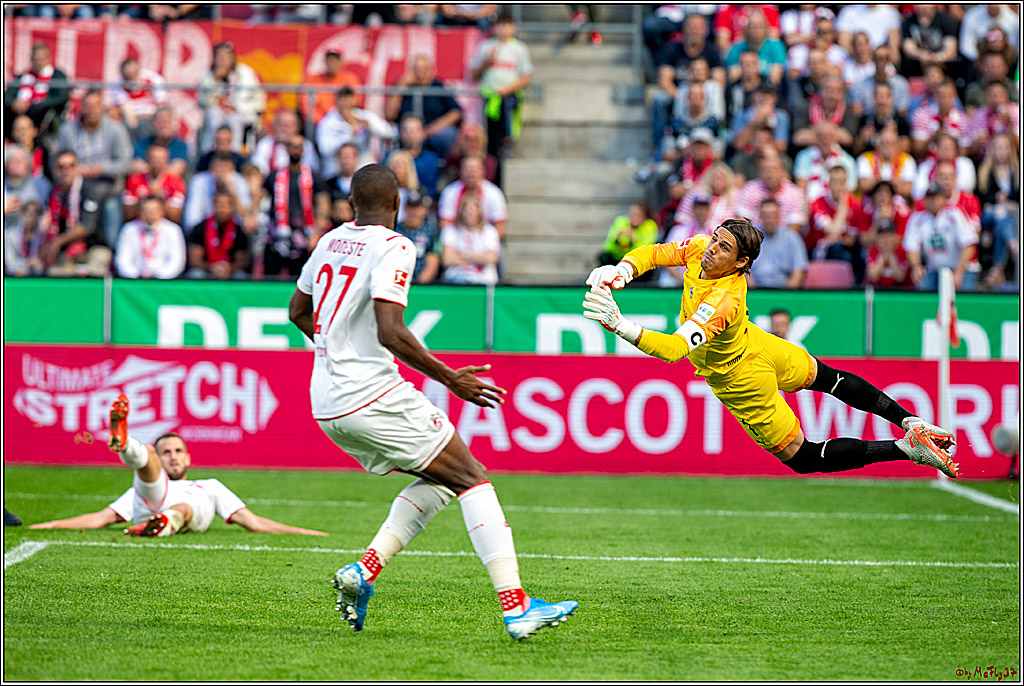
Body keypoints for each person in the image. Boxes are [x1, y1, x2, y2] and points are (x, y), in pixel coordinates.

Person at [286, 163, 577, 640]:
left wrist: (334, 351)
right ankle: (517, 606)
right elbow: (390, 329)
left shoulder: (330, 240)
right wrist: (450, 378)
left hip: (326, 402)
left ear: (351, 205)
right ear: (397, 206)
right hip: (371, 393)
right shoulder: (397, 245)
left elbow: (298, 310)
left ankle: (364, 571)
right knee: (473, 478)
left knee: (443, 480)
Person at [582, 219, 960, 482]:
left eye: (723, 247)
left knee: (803, 457)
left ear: (742, 262)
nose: (712, 249)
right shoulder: (701, 250)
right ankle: (910, 420)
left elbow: (675, 349)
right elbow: (655, 252)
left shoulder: (724, 301)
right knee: (828, 377)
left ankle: (905, 447)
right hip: (757, 341)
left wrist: (621, 325)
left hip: (741, 378)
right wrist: (623, 270)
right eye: (714, 239)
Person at [31, 395, 325, 537]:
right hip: (154, 500)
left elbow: (255, 523)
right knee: (147, 460)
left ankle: (159, 522)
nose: (172, 456)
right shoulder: (144, 487)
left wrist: (307, 532)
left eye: (177, 451)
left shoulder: (210, 486)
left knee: (184, 507)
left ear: (188, 458)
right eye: (165, 452)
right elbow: (100, 518)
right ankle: (125, 445)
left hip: (184, 510)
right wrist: (52, 524)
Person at [54, 89, 133, 249]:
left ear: (101, 107)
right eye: (88, 106)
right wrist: (71, 171)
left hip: (108, 188)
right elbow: (57, 158)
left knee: (111, 223)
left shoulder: (116, 130)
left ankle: (112, 257)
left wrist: (99, 168)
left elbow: (125, 163)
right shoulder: (68, 130)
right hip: (76, 188)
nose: (91, 110)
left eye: (95, 105)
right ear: (81, 107)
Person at [260, 134, 330, 277]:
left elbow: (323, 204)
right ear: (286, 149)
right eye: (292, 146)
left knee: (301, 277)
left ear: (303, 150)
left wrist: (316, 232)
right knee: (270, 275)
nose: (295, 150)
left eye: (298, 147)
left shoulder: (313, 177)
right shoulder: (275, 175)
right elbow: (260, 199)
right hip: (277, 235)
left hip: (304, 236)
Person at [469, 13, 534, 158]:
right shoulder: (485, 46)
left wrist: (506, 90)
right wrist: (486, 63)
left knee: (506, 129)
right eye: (500, 25)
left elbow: (525, 77)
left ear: (513, 28)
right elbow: (473, 76)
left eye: (506, 25)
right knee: (489, 135)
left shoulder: (519, 48)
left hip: (509, 97)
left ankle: (506, 145)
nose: (503, 30)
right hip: (489, 97)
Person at [42, 150, 113, 278]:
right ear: (54, 170)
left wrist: (57, 242)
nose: (66, 171)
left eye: (71, 166)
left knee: (96, 268)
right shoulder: (54, 194)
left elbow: (87, 226)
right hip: (67, 252)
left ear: (78, 167)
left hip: (93, 247)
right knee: (54, 274)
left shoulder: (90, 189)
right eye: (61, 167)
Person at [904, 184, 979, 292]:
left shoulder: (954, 214)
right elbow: (911, 247)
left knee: (963, 295)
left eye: (936, 197)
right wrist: (916, 266)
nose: (933, 201)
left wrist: (958, 272)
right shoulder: (917, 218)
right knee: (923, 287)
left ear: (943, 198)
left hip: (962, 267)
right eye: (930, 198)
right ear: (925, 200)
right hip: (935, 269)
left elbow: (968, 245)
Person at [385, 55, 463, 156]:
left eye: (424, 69)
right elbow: (390, 114)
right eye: (417, 69)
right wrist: (401, 86)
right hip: (407, 131)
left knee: (448, 135)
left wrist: (429, 130)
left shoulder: (437, 86)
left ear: (431, 71)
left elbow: (456, 113)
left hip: (433, 132)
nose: (421, 74)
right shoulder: (403, 86)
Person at [199, 42, 266, 153]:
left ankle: (233, 154)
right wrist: (214, 81)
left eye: (226, 57)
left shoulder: (245, 72)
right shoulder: (208, 76)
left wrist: (234, 108)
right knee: (214, 116)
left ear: (232, 58)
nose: (222, 60)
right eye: (219, 57)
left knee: (234, 120)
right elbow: (204, 103)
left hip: (241, 112)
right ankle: (210, 153)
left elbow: (255, 97)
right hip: (218, 112)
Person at [318, 88, 396, 176]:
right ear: (336, 101)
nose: (346, 103)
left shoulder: (364, 116)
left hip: (363, 169)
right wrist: (349, 135)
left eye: (348, 98)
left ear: (355, 100)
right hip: (336, 173)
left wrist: (368, 125)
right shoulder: (328, 122)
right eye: (342, 99)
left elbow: (389, 132)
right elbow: (324, 149)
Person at [3, 43, 68, 138]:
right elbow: (7, 96)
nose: (38, 62)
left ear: (49, 58)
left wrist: (35, 103)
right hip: (19, 117)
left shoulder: (57, 75)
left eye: (41, 59)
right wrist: (15, 103)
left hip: (44, 118)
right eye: (35, 59)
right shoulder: (23, 77)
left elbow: (61, 97)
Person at [114, 196, 187, 280]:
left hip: (165, 280)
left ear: (162, 211)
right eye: (146, 210)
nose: (150, 213)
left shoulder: (173, 230)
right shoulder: (129, 229)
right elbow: (123, 259)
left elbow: (177, 261)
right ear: (139, 212)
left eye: (154, 210)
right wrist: (134, 275)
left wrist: (160, 277)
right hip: (135, 279)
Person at [437, 156, 508, 238]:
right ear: (461, 171)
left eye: (475, 169)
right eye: (467, 169)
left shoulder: (494, 193)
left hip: (485, 243)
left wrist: (479, 244)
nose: (471, 173)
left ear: (483, 171)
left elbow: (500, 229)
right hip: (457, 242)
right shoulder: (449, 192)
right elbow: (445, 226)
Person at [187, 190, 251, 279]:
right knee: (196, 274)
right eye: (219, 205)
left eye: (225, 206)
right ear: (213, 206)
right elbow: (194, 259)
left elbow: (242, 260)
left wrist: (229, 268)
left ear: (232, 208)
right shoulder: (200, 228)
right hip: (207, 269)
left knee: (240, 275)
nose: (222, 210)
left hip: (230, 271)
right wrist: (211, 267)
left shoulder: (239, 231)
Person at [440, 194, 502, 286]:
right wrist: (479, 258)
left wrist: (465, 255)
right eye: (467, 208)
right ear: (461, 211)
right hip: (456, 280)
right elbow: (447, 259)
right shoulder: (450, 231)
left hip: (484, 281)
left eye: (473, 208)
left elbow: (491, 258)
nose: (470, 212)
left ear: (479, 211)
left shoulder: (489, 231)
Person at [747, 198, 807, 290]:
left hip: (784, 291)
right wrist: (753, 293)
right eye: (766, 216)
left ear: (779, 217)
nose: (770, 220)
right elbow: (743, 269)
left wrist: (785, 296)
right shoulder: (750, 238)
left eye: (773, 216)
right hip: (755, 291)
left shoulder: (792, 238)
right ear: (760, 217)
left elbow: (799, 271)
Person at [123, 143, 187, 224]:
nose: (157, 162)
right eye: (154, 158)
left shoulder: (176, 182)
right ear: (147, 159)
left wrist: (159, 197)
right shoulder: (134, 180)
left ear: (167, 160)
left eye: (161, 159)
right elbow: (128, 214)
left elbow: (175, 217)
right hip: (139, 224)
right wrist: (143, 198)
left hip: (165, 226)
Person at [106, 56, 168, 138]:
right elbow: (128, 114)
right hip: (132, 121)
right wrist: (135, 125)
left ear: (138, 69)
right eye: (128, 76)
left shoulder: (153, 79)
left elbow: (161, 104)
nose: (131, 78)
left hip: (153, 118)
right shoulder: (118, 86)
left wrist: (156, 119)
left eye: (133, 73)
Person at [299, 50, 363, 125]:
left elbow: (357, 102)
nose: (332, 62)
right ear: (325, 61)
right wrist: (323, 122)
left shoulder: (351, 79)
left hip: (345, 122)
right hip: (319, 124)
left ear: (342, 62)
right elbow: (305, 105)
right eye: (330, 59)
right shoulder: (313, 79)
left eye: (336, 59)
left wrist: (343, 120)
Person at [395, 191, 440, 284]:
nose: (413, 212)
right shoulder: (395, 231)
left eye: (417, 208)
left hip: (421, 284)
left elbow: (433, 261)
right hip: (396, 280)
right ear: (405, 209)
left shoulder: (431, 232)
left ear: (425, 210)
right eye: (410, 207)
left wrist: (418, 284)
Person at [131, 106, 190, 178]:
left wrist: (151, 171)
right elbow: (136, 166)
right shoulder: (142, 144)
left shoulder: (181, 146)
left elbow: (176, 170)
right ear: (152, 123)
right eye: (160, 121)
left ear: (175, 124)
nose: (163, 125)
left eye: (167, 121)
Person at [597, 203, 659, 269]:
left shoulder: (650, 226)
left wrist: (634, 239)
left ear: (644, 217)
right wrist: (618, 239)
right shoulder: (621, 221)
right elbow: (608, 247)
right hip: (618, 257)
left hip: (636, 262)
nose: (633, 218)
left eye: (637, 215)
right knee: (603, 257)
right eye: (631, 214)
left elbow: (645, 250)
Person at [399, 115, 441, 198]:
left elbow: (433, 189)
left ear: (423, 133)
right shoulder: (392, 158)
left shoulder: (431, 159)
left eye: (415, 130)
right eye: (407, 130)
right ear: (401, 133)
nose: (411, 135)